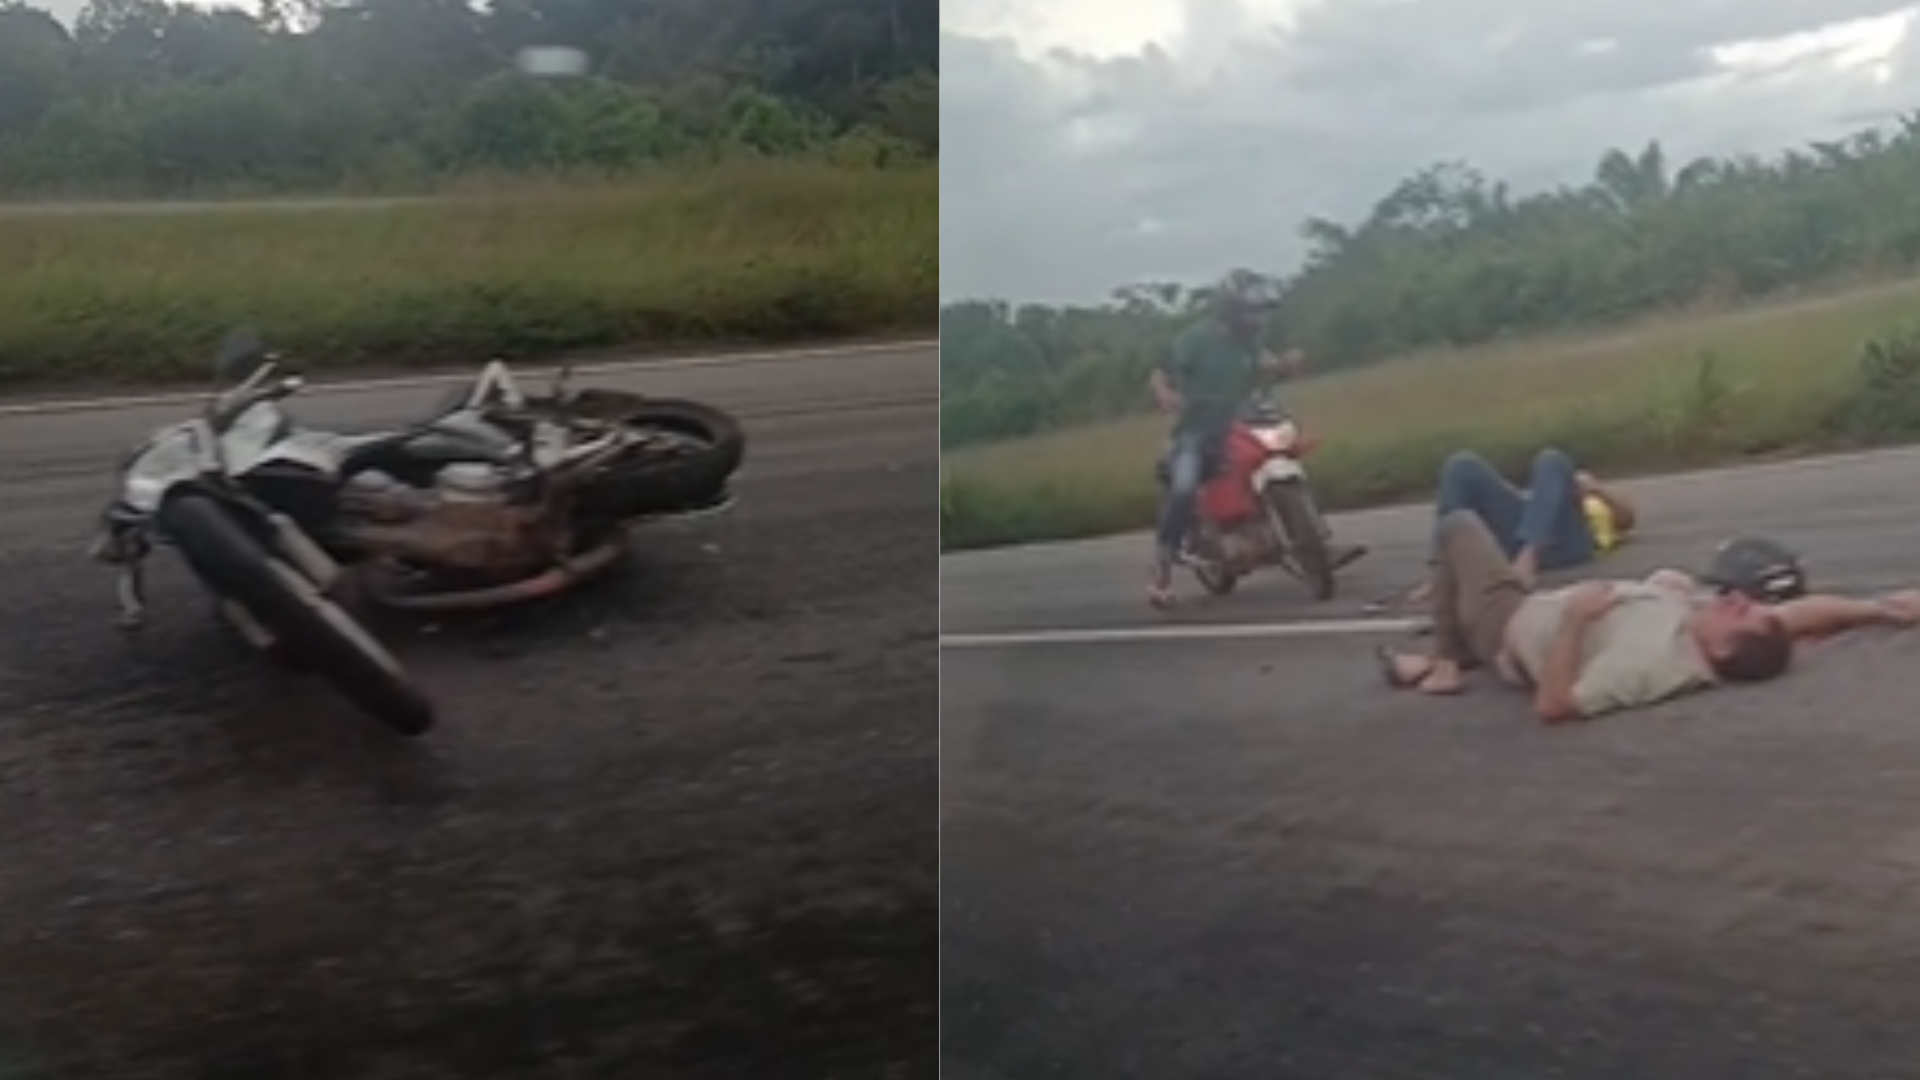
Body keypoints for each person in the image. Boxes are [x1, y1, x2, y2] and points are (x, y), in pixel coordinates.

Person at [1374, 508, 1796, 722]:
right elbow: (1798, 619)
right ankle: (1436, 659)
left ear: (1723, 651)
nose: (1735, 599)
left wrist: (1575, 620)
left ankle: (1445, 662)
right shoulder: (1694, 634)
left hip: (1507, 623)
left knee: (1457, 526)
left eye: (1741, 612)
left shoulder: (1645, 665)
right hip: (1531, 605)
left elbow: (1554, 706)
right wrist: (1663, 588)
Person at [1145, 289, 1362, 608]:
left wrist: (1286, 365)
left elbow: (1267, 367)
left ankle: (1314, 543)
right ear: (1233, 315)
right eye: (1252, 313)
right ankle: (1161, 574)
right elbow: (1160, 373)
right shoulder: (1196, 340)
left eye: (1262, 313)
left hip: (1240, 421)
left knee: (1283, 454)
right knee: (1185, 488)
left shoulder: (1250, 343)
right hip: (1197, 428)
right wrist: (1166, 394)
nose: (1260, 320)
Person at [1384, 447, 1637, 610]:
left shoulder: (1587, 499)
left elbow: (1627, 519)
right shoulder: (1545, 496)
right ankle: (1442, 573)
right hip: (1521, 535)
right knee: (1462, 465)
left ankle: (1529, 557)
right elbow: (1540, 499)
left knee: (1551, 459)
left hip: (1571, 542)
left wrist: (1596, 490)